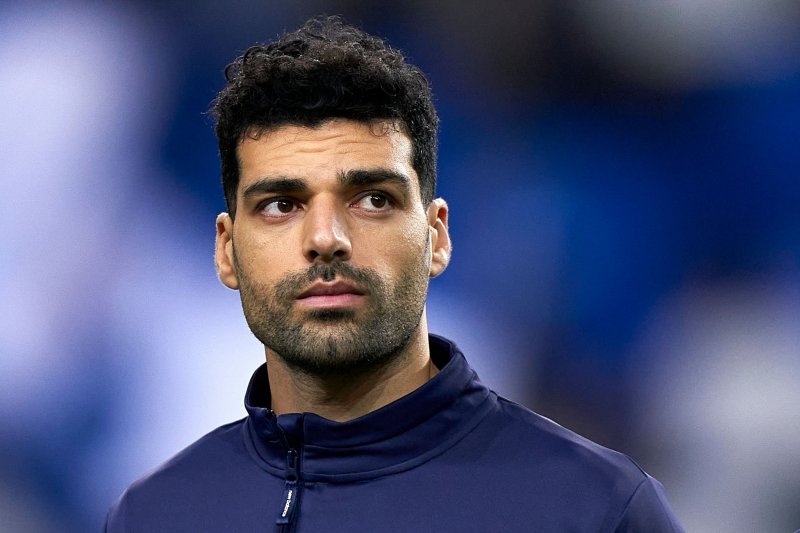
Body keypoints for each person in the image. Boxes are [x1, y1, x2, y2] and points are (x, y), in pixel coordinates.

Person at [105, 16, 684, 532]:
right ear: (226, 249)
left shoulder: (597, 505)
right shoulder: (154, 511)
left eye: (373, 200)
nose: (326, 238)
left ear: (437, 235)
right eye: (282, 204)